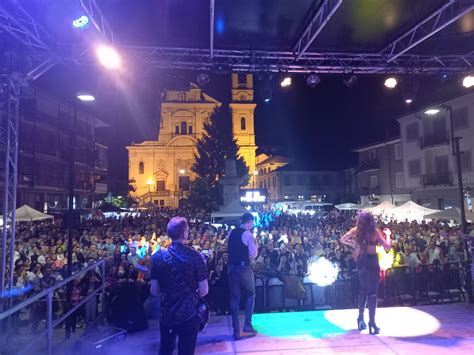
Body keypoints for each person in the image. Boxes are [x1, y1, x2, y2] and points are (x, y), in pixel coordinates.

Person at [150, 217, 209, 355]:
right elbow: (204, 290)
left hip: (167, 314)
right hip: (189, 314)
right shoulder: (195, 257)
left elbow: (154, 290)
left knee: (165, 349)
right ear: (184, 233)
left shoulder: (157, 257)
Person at [340, 211, 390, 335]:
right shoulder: (375, 232)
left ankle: (360, 318)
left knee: (363, 289)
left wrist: (354, 244)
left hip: (361, 261)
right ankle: (372, 322)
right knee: (372, 293)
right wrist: (388, 235)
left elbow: (342, 239)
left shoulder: (356, 230)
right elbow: (388, 247)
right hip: (372, 261)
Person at [227, 212, 258, 340]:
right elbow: (254, 254)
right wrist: (255, 242)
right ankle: (247, 325)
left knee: (235, 298)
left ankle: (236, 331)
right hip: (243, 267)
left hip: (231, 267)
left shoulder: (231, 233)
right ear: (249, 222)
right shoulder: (248, 234)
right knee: (251, 294)